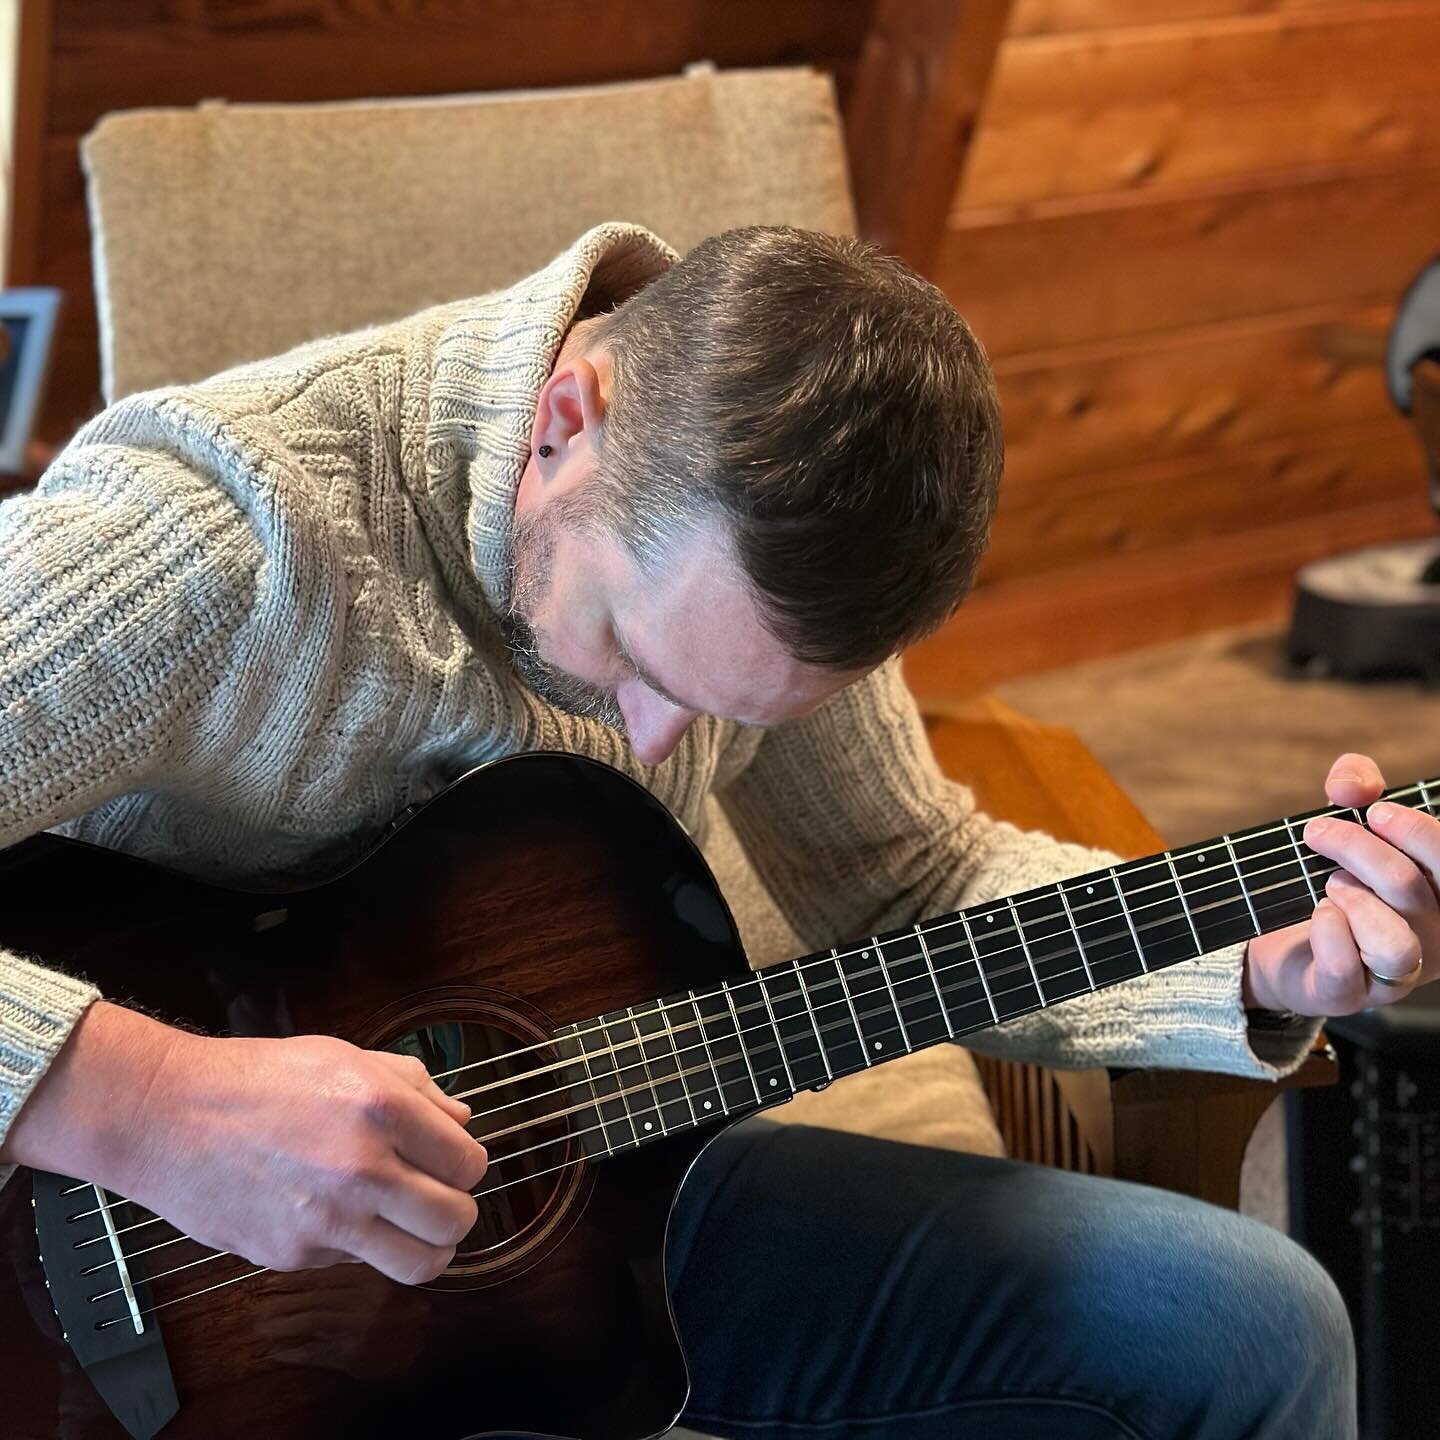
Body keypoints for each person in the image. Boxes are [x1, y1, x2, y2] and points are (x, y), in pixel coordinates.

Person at [0, 220, 1427, 1436]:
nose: (659, 744)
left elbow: (905, 878)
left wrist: (1242, 952)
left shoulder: (786, 511)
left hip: (610, 1198)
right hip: (123, 1311)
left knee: (1255, 1327)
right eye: (635, 653)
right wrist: (147, 1106)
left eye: (731, 702)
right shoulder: (208, 542)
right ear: (567, 421)